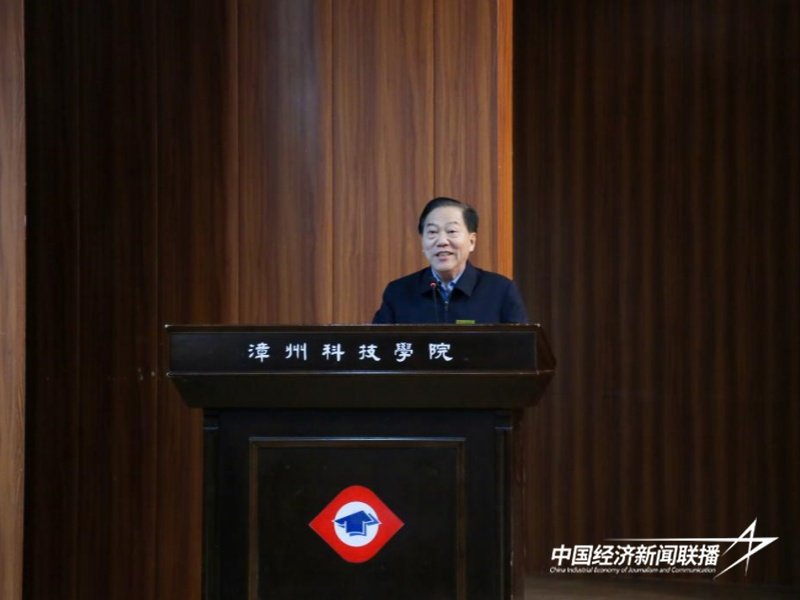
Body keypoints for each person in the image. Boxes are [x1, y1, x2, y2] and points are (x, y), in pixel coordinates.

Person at [372, 197, 529, 324]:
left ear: (472, 241)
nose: (442, 241)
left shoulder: (500, 290)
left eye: (452, 231)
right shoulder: (398, 292)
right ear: (422, 241)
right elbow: (378, 347)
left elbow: (521, 348)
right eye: (432, 232)